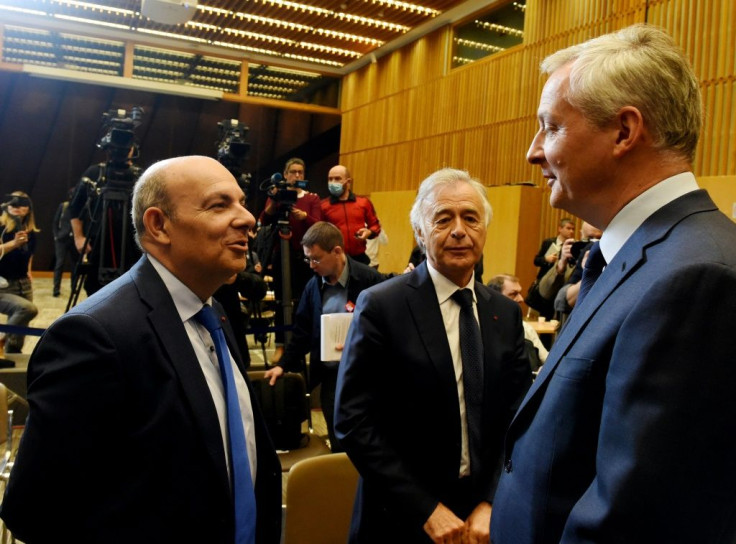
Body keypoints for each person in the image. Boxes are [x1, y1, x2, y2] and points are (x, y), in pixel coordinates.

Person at [491, 25, 736, 544]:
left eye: (550, 127)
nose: (533, 152)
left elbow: (637, 519)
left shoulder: (696, 277)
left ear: (624, 132)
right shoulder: (638, 257)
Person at [1, 156, 282, 543]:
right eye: (220, 205)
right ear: (158, 225)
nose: (248, 218)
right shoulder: (94, 336)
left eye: (242, 202)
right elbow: (35, 510)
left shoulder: (213, 312)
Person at [335, 168, 531, 543]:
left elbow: (519, 415)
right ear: (421, 233)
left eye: (470, 218)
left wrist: (492, 499)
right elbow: (354, 421)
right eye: (443, 219)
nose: (459, 230)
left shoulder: (504, 313)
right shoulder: (382, 306)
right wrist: (426, 509)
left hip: (483, 517)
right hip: (402, 514)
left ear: (484, 231)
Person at [263, 221, 386, 451]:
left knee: (367, 441)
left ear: (337, 251)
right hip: (331, 378)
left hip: (366, 377)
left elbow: (386, 325)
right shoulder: (313, 287)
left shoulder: (369, 279)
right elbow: (301, 333)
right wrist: (283, 365)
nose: (311, 265)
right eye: (308, 258)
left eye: (316, 258)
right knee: (338, 439)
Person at [259, 158, 322, 363]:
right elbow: (264, 219)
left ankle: (300, 345)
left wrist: (304, 216)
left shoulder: (311, 198)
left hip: (303, 257)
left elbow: (319, 224)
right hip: (280, 254)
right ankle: (280, 345)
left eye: (300, 172)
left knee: (303, 301)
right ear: (285, 175)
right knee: (279, 301)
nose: (296, 175)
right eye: (293, 172)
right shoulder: (278, 193)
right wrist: (275, 200)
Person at [68, 145, 141, 296]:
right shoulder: (95, 173)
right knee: (94, 288)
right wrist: (78, 237)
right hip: (97, 242)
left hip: (130, 244)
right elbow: (74, 207)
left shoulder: (138, 175)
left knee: (131, 289)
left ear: (133, 148)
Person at [0, 192, 39, 355]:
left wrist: (29, 272)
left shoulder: (31, 232)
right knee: (27, 309)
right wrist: (14, 243)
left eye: (22, 204)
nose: (16, 207)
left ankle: (11, 358)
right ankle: (1, 340)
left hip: (23, 284)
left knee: (20, 331)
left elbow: (29, 254)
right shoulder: (1, 228)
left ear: (28, 209)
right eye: (13, 203)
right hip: (3, 285)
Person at [321, 165, 381, 265]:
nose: (333, 182)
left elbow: (375, 225)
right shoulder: (323, 206)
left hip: (359, 258)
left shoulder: (363, 203)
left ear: (348, 182)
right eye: (330, 179)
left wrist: (369, 232)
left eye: (337, 179)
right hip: (335, 258)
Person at [487, 274, 548, 368]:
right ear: (496, 296)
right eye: (513, 294)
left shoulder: (526, 328)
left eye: (520, 293)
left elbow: (546, 360)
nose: (521, 299)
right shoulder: (482, 326)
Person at [51, 188, 79, 297]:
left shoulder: (81, 206)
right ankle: (56, 289)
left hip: (74, 239)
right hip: (62, 239)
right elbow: (55, 221)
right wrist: (56, 235)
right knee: (59, 264)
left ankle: (74, 288)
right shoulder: (64, 206)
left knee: (75, 266)